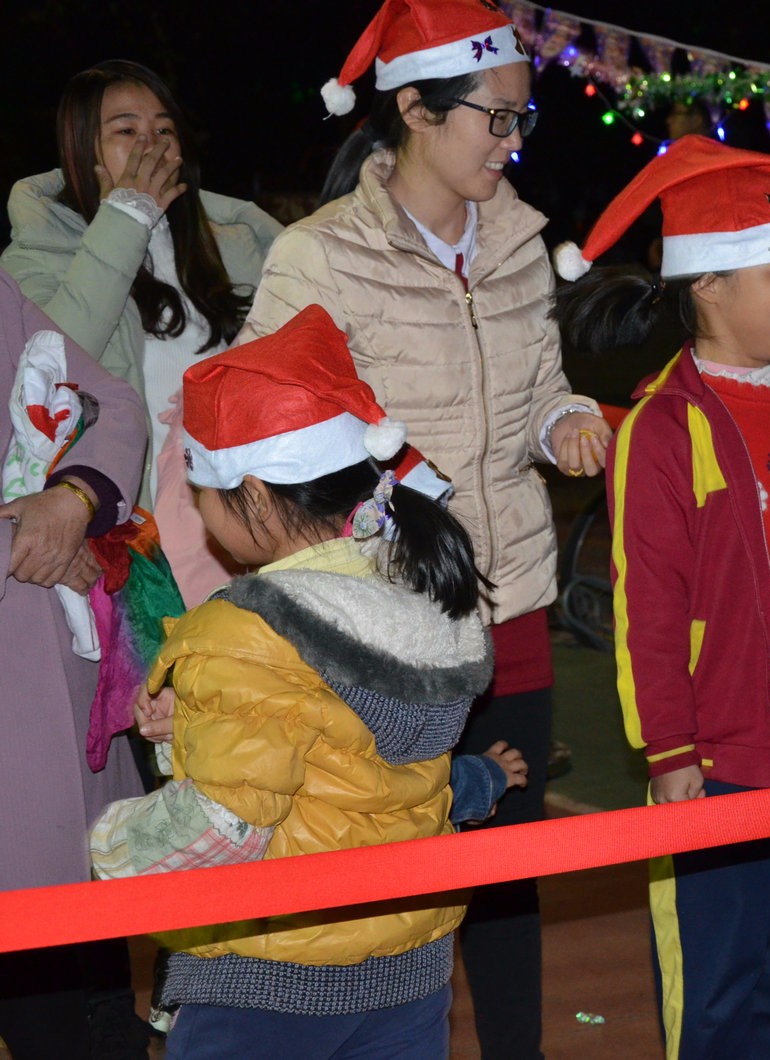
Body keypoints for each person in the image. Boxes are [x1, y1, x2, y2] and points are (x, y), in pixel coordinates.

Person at [234, 3, 613, 1054]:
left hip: (511, 604)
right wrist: (388, 490)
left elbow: (538, 389)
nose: (512, 141)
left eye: (522, 117)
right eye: (495, 117)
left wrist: (564, 421)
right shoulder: (319, 257)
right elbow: (263, 427)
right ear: (413, 108)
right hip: (383, 621)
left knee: (505, 871)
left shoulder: (522, 244)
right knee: (381, 866)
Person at [87, 303, 507, 1057]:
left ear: (251, 493)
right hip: (410, 974)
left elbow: (224, 824)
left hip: (263, 980)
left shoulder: (244, 628)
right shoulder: (418, 593)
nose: (197, 510)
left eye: (200, 489)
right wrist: (200, 716)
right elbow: (346, 758)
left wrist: (108, 849)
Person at [551, 135, 770, 1059]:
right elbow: (648, 609)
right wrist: (670, 749)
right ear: (709, 285)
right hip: (726, 748)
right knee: (718, 973)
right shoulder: (666, 426)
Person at [2, 59, 283, 604]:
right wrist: (127, 218)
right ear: (82, 152)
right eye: (126, 131)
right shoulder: (35, 255)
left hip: (247, 528)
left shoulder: (241, 244)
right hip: (132, 546)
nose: (150, 145)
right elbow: (53, 366)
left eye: (164, 129)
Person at [0, 266, 149, 1056]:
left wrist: (75, 498)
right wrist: (33, 538)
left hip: (46, 691)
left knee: (68, 993)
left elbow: (113, 402)